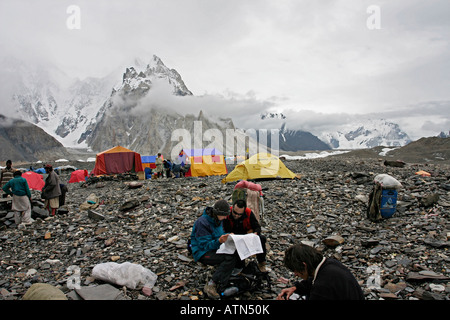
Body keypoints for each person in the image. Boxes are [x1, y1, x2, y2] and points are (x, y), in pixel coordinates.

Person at [190, 199, 241, 299]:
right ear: (218, 213)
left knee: (236, 252)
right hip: (202, 252)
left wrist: (228, 237)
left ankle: (228, 273)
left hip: (215, 248)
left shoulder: (218, 220)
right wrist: (219, 241)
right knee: (229, 258)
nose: (226, 217)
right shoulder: (202, 223)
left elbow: (218, 235)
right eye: (225, 215)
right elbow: (204, 245)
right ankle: (212, 284)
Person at [277, 243, 365, 300]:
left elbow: (318, 287)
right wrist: (295, 288)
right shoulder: (329, 264)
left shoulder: (323, 285)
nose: (295, 274)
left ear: (304, 265)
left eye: (295, 270)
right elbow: (311, 281)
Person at [222, 199, 268, 272]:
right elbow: (222, 229)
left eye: (240, 214)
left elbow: (257, 227)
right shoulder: (227, 214)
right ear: (233, 208)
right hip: (233, 239)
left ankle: (262, 263)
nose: (237, 215)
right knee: (240, 266)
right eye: (235, 213)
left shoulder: (248, 213)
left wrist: (255, 233)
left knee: (261, 239)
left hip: (246, 237)